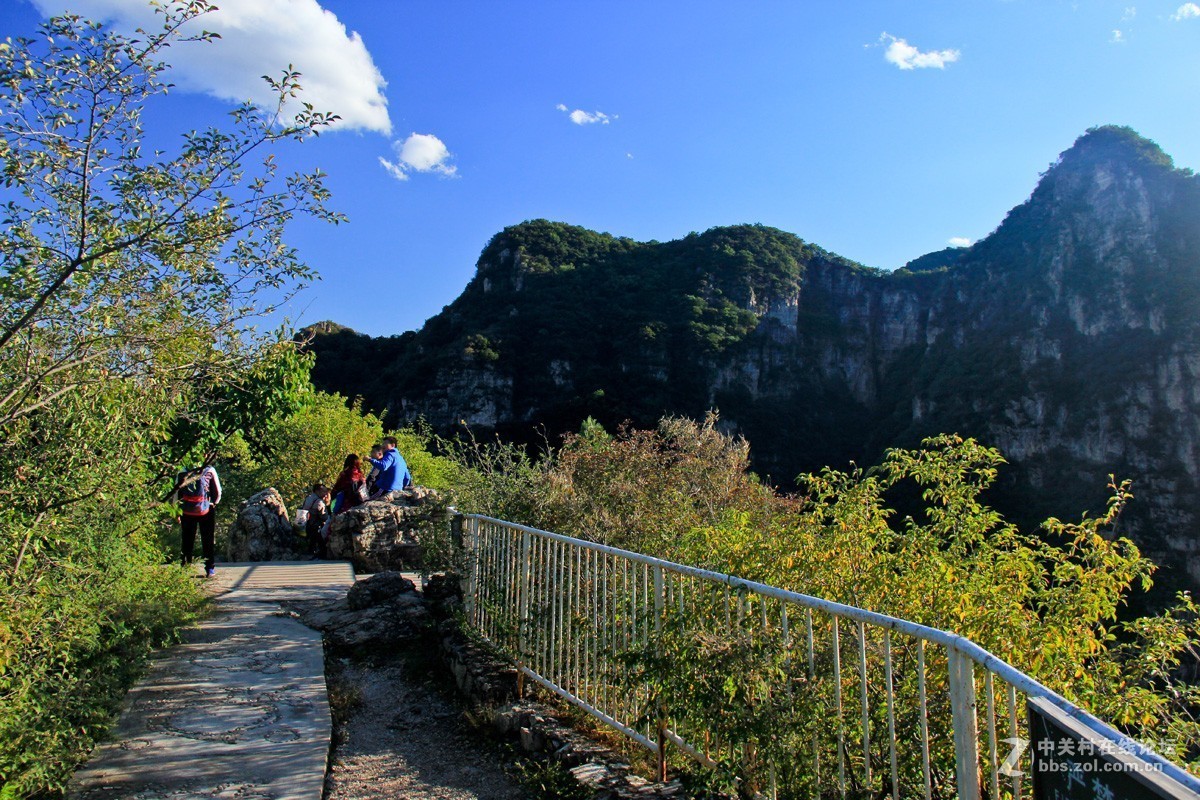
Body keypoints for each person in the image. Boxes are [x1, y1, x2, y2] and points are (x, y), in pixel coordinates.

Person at [176, 463, 222, 578]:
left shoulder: (182, 470)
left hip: (186, 511)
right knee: (208, 540)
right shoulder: (210, 470)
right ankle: (209, 568)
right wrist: (213, 503)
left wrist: (177, 511)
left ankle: (185, 567)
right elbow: (218, 492)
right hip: (206, 509)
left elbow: (176, 493)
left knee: (187, 540)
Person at [367, 435, 412, 501]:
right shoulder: (401, 458)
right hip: (397, 491)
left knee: (365, 500)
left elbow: (383, 466)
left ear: (393, 445)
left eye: (385, 443)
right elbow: (407, 477)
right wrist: (401, 487)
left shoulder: (390, 454)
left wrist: (370, 460)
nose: (382, 446)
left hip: (385, 489)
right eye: (383, 443)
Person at [299, 483, 331, 558]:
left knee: (311, 540)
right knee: (319, 539)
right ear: (318, 491)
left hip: (307, 523)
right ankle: (321, 555)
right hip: (316, 525)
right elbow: (324, 517)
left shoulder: (309, 498)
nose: (325, 494)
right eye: (324, 492)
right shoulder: (319, 502)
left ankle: (309, 552)